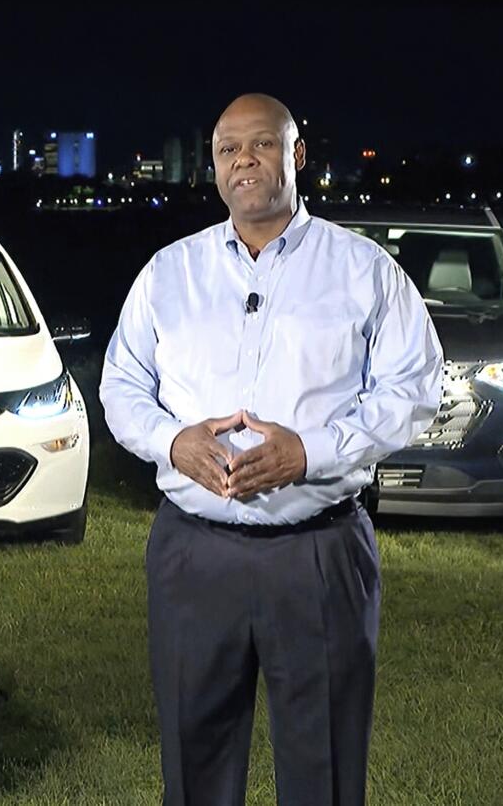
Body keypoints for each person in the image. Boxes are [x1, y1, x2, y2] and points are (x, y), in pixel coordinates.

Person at [99, 94, 443, 805]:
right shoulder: (170, 272)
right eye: (229, 150)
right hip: (194, 554)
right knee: (193, 761)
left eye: (262, 145)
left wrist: (311, 453)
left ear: (298, 156)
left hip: (317, 553)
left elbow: (411, 390)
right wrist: (174, 440)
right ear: (214, 167)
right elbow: (122, 385)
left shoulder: (364, 271)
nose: (244, 160)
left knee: (323, 764)